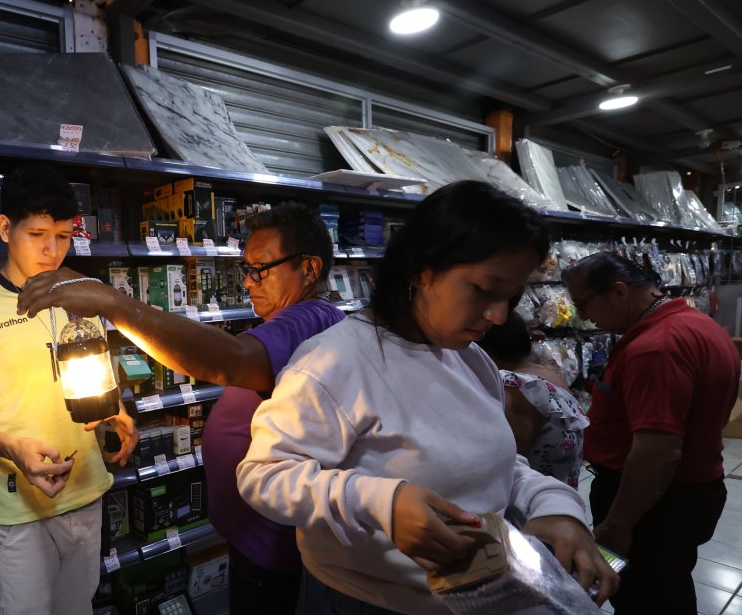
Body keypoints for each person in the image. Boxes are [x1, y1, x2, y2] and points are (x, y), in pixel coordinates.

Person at [236, 180, 618, 614]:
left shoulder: (472, 359)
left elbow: (497, 463)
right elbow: (263, 476)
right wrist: (383, 501)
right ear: (422, 268)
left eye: (510, 297)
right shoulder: (332, 362)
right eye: (483, 290)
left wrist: (554, 507)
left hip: (477, 596)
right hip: (367, 601)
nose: (498, 316)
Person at [18, 202, 345, 614]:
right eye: (246, 270)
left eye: (260, 269)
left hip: (272, 548)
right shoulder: (292, 319)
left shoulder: (309, 319)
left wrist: (114, 304)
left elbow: (227, 360)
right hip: (254, 537)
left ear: (310, 269)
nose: (248, 283)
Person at [0, 165, 138, 615]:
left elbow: (97, 373)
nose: (51, 250)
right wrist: (11, 446)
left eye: (63, 236)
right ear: (5, 228)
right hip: (18, 511)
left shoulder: (85, 296)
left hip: (87, 492)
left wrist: (116, 409)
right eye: (37, 233)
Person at [564, 252, 738, 615]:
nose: (581, 316)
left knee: (641, 595)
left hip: (653, 502)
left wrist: (618, 523)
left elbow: (658, 452)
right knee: (666, 585)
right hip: (686, 491)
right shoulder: (696, 323)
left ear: (619, 292)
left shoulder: (656, 348)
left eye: (583, 303)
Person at [477, 311, 589, 488]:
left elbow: (509, 464)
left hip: (532, 504)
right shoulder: (546, 375)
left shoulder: (515, 387)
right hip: (556, 497)